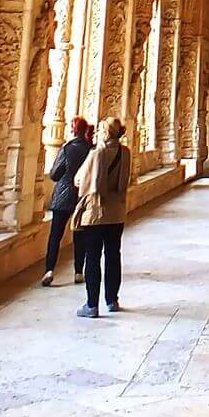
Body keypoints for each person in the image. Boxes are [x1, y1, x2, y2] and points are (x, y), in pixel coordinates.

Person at [73, 117, 131, 319]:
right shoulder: (125, 153)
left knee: (93, 258)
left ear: (105, 132)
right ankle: (112, 299)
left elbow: (80, 180)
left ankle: (92, 304)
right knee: (114, 255)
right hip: (117, 213)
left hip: (97, 214)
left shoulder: (97, 153)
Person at [41, 115, 93, 286]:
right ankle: (79, 271)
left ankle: (49, 270)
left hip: (63, 194)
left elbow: (55, 174)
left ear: (73, 130)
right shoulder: (91, 150)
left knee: (55, 235)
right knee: (80, 234)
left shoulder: (67, 148)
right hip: (82, 195)